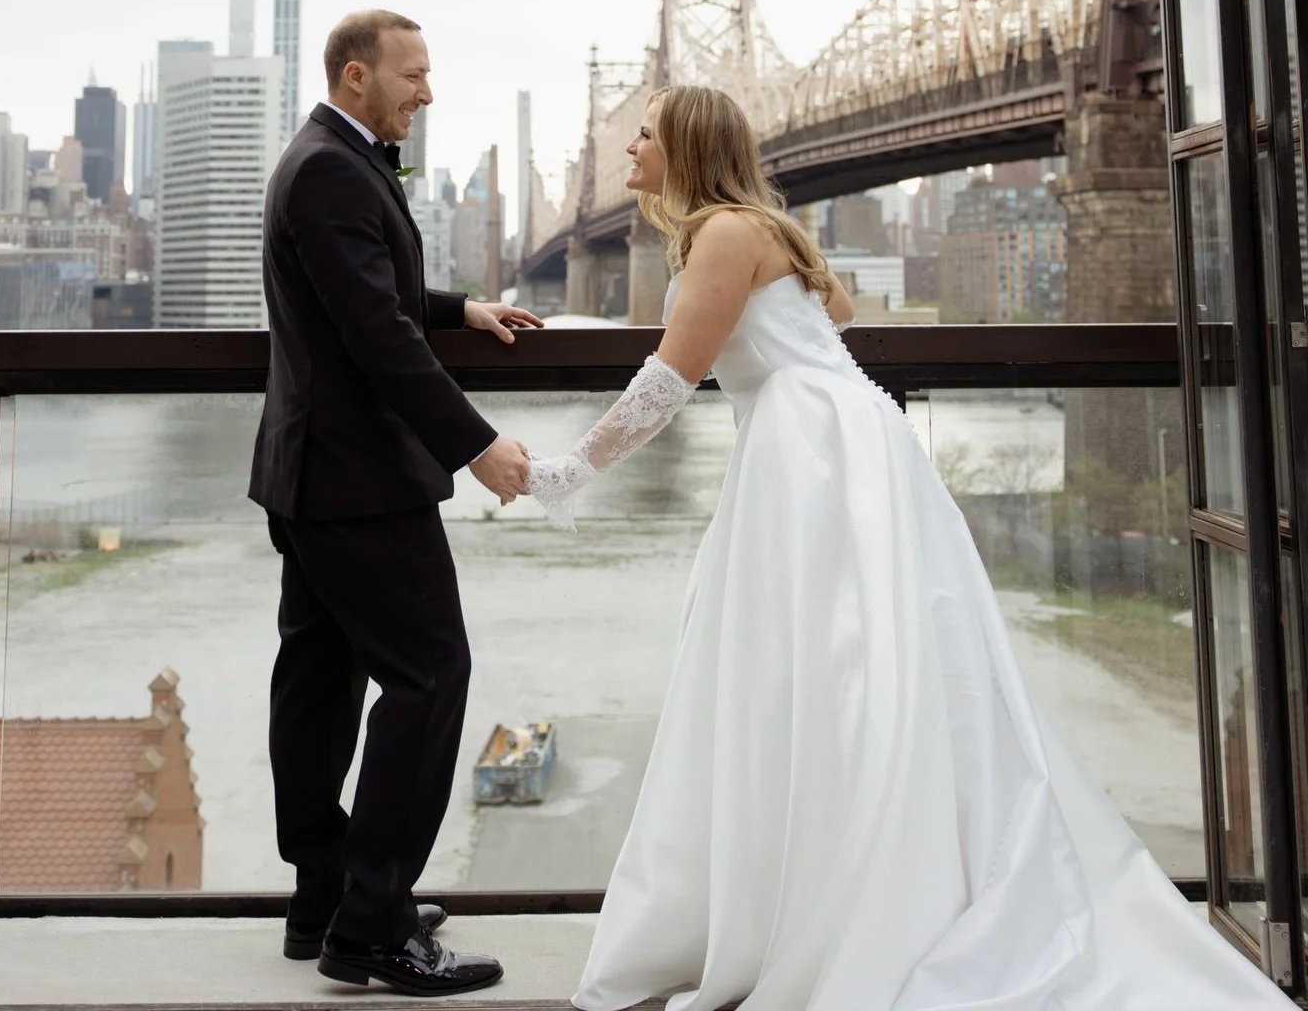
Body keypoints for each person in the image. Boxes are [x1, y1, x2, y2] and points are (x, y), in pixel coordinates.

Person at [528, 84, 1288, 1011]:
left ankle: (836, 904)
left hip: (808, 462)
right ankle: (857, 883)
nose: (629, 150)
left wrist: (563, 473)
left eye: (644, 134)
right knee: (868, 670)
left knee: (814, 674)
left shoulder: (724, 233)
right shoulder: (768, 227)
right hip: (850, 448)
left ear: (686, 147)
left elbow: (666, 382)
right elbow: (833, 318)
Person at [250, 8, 542, 997]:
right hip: (359, 482)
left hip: (317, 477)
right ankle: (372, 927)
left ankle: (324, 896)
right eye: (412, 74)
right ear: (356, 73)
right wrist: (479, 447)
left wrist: (459, 307)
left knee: (319, 686)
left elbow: (368, 292)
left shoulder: (325, 157)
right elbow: (376, 337)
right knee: (428, 677)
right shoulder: (334, 170)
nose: (428, 91)